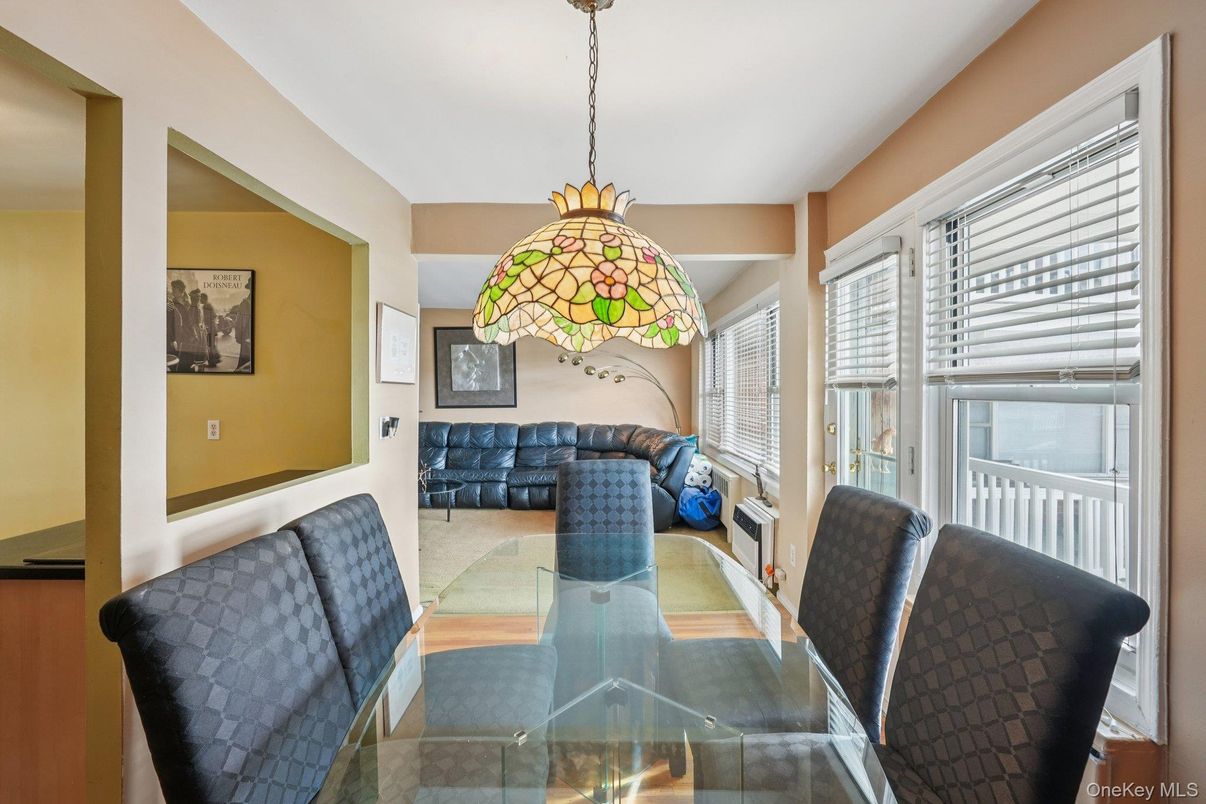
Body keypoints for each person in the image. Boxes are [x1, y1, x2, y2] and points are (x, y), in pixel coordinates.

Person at [200, 292, 219, 368]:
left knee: (210, 346)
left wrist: (204, 323)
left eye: (200, 298)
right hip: (212, 328)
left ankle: (212, 363)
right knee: (212, 345)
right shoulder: (208, 305)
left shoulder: (206, 306)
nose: (199, 300)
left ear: (204, 298)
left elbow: (208, 317)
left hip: (210, 329)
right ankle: (215, 360)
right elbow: (214, 315)